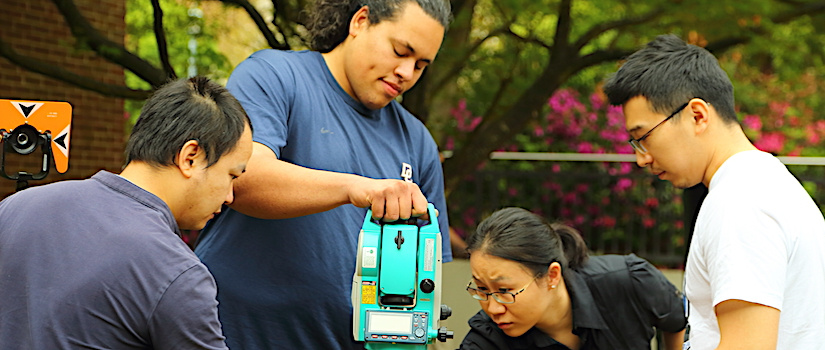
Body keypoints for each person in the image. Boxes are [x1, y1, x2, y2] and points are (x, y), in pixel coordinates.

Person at [193, 0, 453, 349]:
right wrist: (355, 188)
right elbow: (242, 179)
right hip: (234, 337)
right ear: (360, 21)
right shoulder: (273, 75)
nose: (407, 72)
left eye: (420, 65)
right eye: (400, 51)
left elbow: (427, 280)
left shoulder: (417, 141)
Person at [603, 34, 825, 349]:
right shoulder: (767, 181)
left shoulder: (739, 202)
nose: (642, 158)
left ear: (697, 115)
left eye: (644, 137)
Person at [0, 76, 253, 349]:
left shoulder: (16, 207)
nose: (230, 196)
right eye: (232, 175)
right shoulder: (175, 272)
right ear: (190, 157)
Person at [460, 207, 686, 350]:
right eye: (482, 289)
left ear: (552, 275)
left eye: (504, 291)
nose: (493, 308)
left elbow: (677, 320)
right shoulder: (486, 338)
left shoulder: (628, 280)